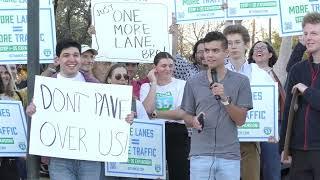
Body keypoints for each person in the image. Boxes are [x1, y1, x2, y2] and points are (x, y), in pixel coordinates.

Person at [26, 39, 134, 180]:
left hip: (90, 159)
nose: (72, 59)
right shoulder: (45, 87)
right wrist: (31, 111)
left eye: (76, 55)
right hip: (59, 159)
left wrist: (125, 118)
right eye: (66, 55)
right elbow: (36, 117)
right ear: (57, 60)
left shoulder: (96, 86)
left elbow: (110, 119)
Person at [180, 31, 252, 180]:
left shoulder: (241, 81)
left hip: (229, 155)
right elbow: (186, 115)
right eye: (207, 50)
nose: (209, 55)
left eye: (215, 50)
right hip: (200, 154)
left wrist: (225, 99)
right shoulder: (193, 82)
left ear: (226, 53)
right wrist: (192, 121)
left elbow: (241, 121)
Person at [223, 24, 273, 180]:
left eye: (237, 42)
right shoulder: (216, 74)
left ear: (246, 44)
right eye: (229, 43)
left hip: (251, 140)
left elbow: (269, 106)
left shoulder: (261, 75)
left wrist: (271, 130)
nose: (233, 47)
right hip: (224, 140)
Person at [280, 12, 320, 180]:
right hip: (299, 150)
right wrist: (284, 147)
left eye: (314, 33)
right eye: (305, 33)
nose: (308, 38)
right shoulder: (297, 69)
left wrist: (306, 90)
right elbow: (288, 109)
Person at [140, 52, 190, 180]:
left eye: (171, 65)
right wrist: (154, 83)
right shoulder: (146, 86)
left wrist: (155, 114)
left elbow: (180, 114)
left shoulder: (182, 84)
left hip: (176, 133)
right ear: (155, 67)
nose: (168, 69)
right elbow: (146, 111)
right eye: (163, 66)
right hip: (153, 133)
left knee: (179, 173)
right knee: (153, 175)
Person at [103, 63, 149, 180]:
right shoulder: (99, 102)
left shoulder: (136, 104)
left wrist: (135, 123)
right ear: (109, 80)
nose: (122, 79)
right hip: (105, 160)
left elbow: (148, 131)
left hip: (129, 162)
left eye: (125, 77)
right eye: (118, 77)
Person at [248, 41, 284, 180]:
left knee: (271, 163)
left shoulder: (278, 71)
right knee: (250, 163)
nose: (259, 49)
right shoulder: (246, 73)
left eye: (263, 47)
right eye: (256, 48)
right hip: (249, 124)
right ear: (252, 55)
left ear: (270, 54)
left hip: (271, 124)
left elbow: (286, 52)